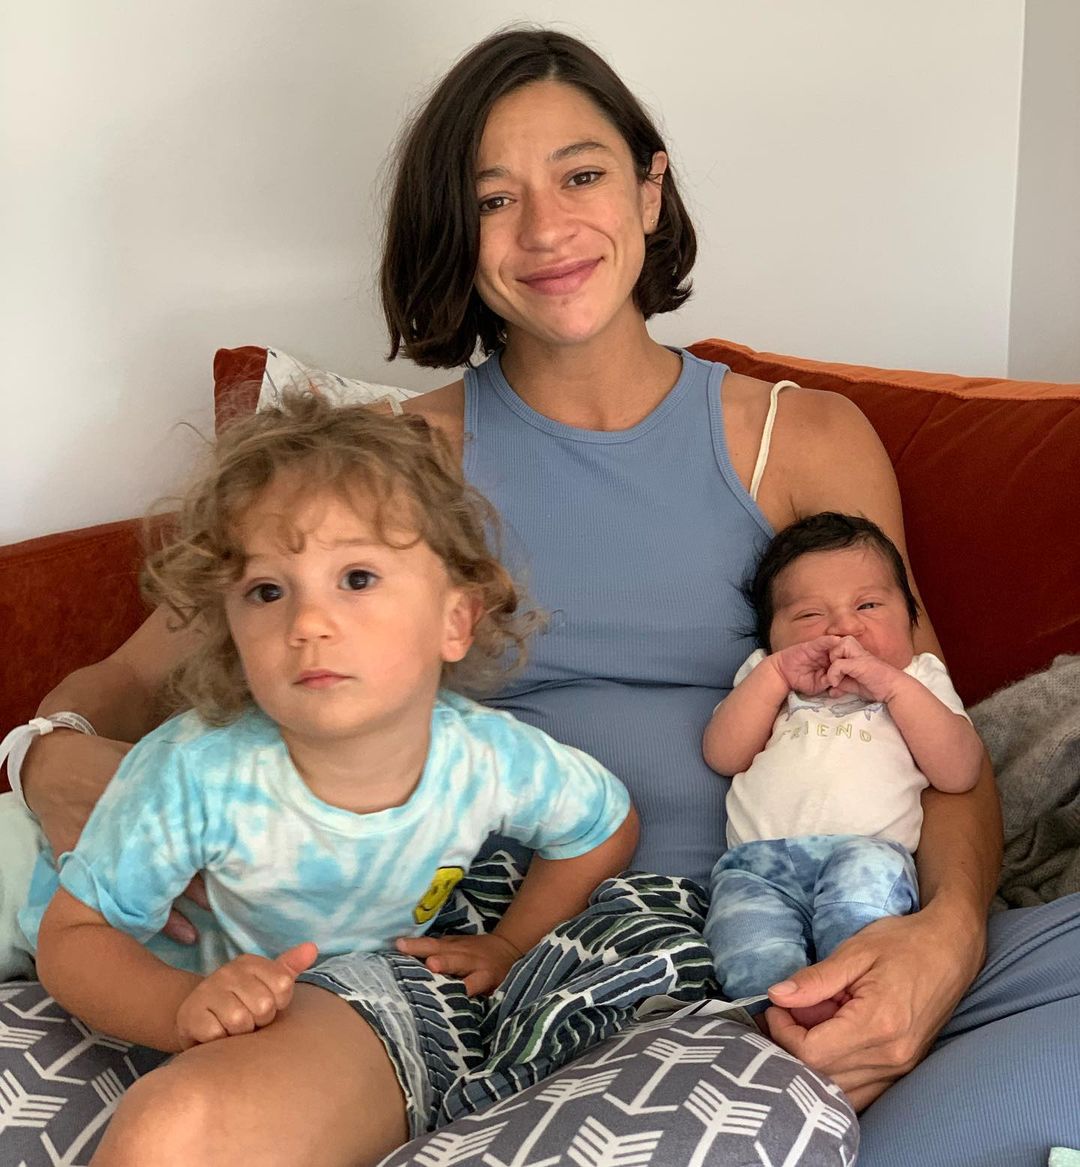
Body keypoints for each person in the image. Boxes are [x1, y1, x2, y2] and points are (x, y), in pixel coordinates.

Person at [11, 24, 1080, 1167]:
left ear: (649, 191)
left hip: (768, 925)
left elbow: (934, 733)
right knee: (181, 1132)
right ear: (455, 232)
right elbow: (130, 674)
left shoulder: (805, 440)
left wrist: (944, 940)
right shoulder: (388, 464)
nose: (544, 228)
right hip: (466, 955)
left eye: (580, 175)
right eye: (493, 199)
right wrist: (48, 750)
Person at [24, 393, 637, 1135]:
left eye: (357, 578)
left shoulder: (488, 758)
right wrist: (179, 1005)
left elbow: (601, 827)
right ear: (230, 631)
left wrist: (509, 942)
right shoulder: (193, 772)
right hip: (98, 906)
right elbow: (72, 937)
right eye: (267, 591)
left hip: (330, 996)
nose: (307, 622)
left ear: (455, 619)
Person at [701, 513, 982, 1010]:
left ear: (911, 621)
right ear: (772, 637)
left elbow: (960, 773)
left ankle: (853, 1004)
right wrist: (776, 676)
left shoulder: (917, 677)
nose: (844, 627)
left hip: (867, 853)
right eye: (810, 615)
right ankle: (786, 1013)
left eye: (868, 605)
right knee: (747, 949)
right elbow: (723, 755)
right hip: (757, 867)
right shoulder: (767, 676)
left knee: (860, 921)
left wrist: (892, 686)